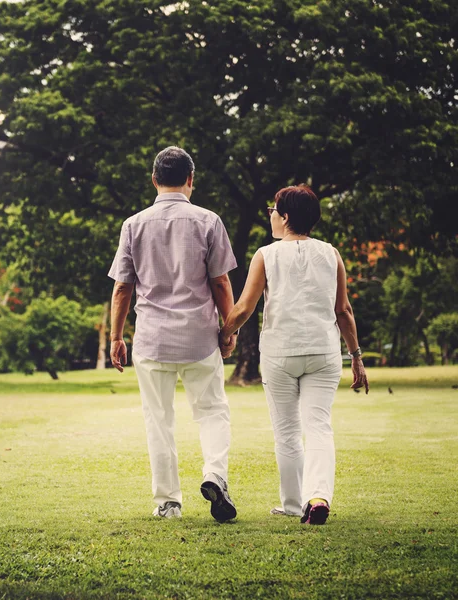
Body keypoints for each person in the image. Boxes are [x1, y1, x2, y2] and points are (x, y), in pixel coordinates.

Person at [219, 184, 369, 525]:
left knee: (286, 431)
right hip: (323, 351)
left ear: (285, 217)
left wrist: (223, 334)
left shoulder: (266, 255)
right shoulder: (331, 254)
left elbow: (244, 308)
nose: (271, 214)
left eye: (274, 209)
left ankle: (291, 503)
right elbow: (343, 310)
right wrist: (356, 356)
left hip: (280, 353)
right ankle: (317, 497)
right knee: (318, 426)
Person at [108, 146, 238, 522]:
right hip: (199, 338)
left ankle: (168, 502)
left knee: (158, 419)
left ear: (154, 180)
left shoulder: (133, 224)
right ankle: (215, 474)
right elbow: (221, 282)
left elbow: (121, 289)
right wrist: (228, 329)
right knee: (213, 411)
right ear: (191, 180)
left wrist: (116, 337)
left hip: (151, 340)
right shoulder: (208, 221)